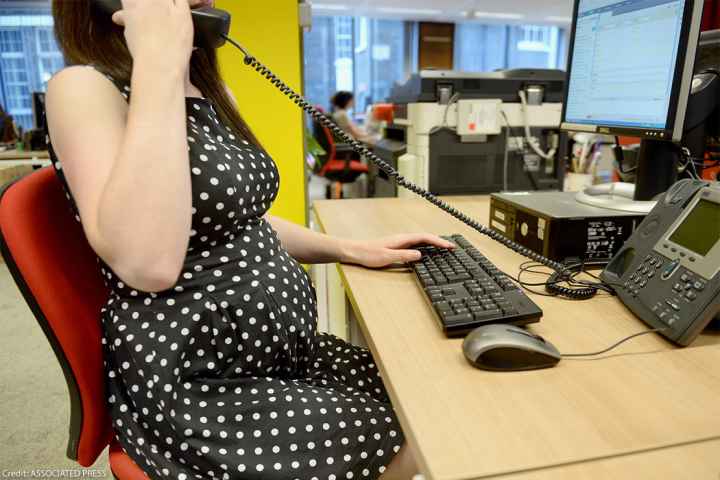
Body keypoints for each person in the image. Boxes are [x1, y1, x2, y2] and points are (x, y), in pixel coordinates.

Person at [46, 1, 454, 479]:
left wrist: (348, 248)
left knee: (430, 389)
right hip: (202, 380)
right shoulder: (85, 88)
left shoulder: (208, 90)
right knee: (413, 434)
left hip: (286, 356)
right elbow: (148, 263)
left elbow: (237, 221)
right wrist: (158, 62)